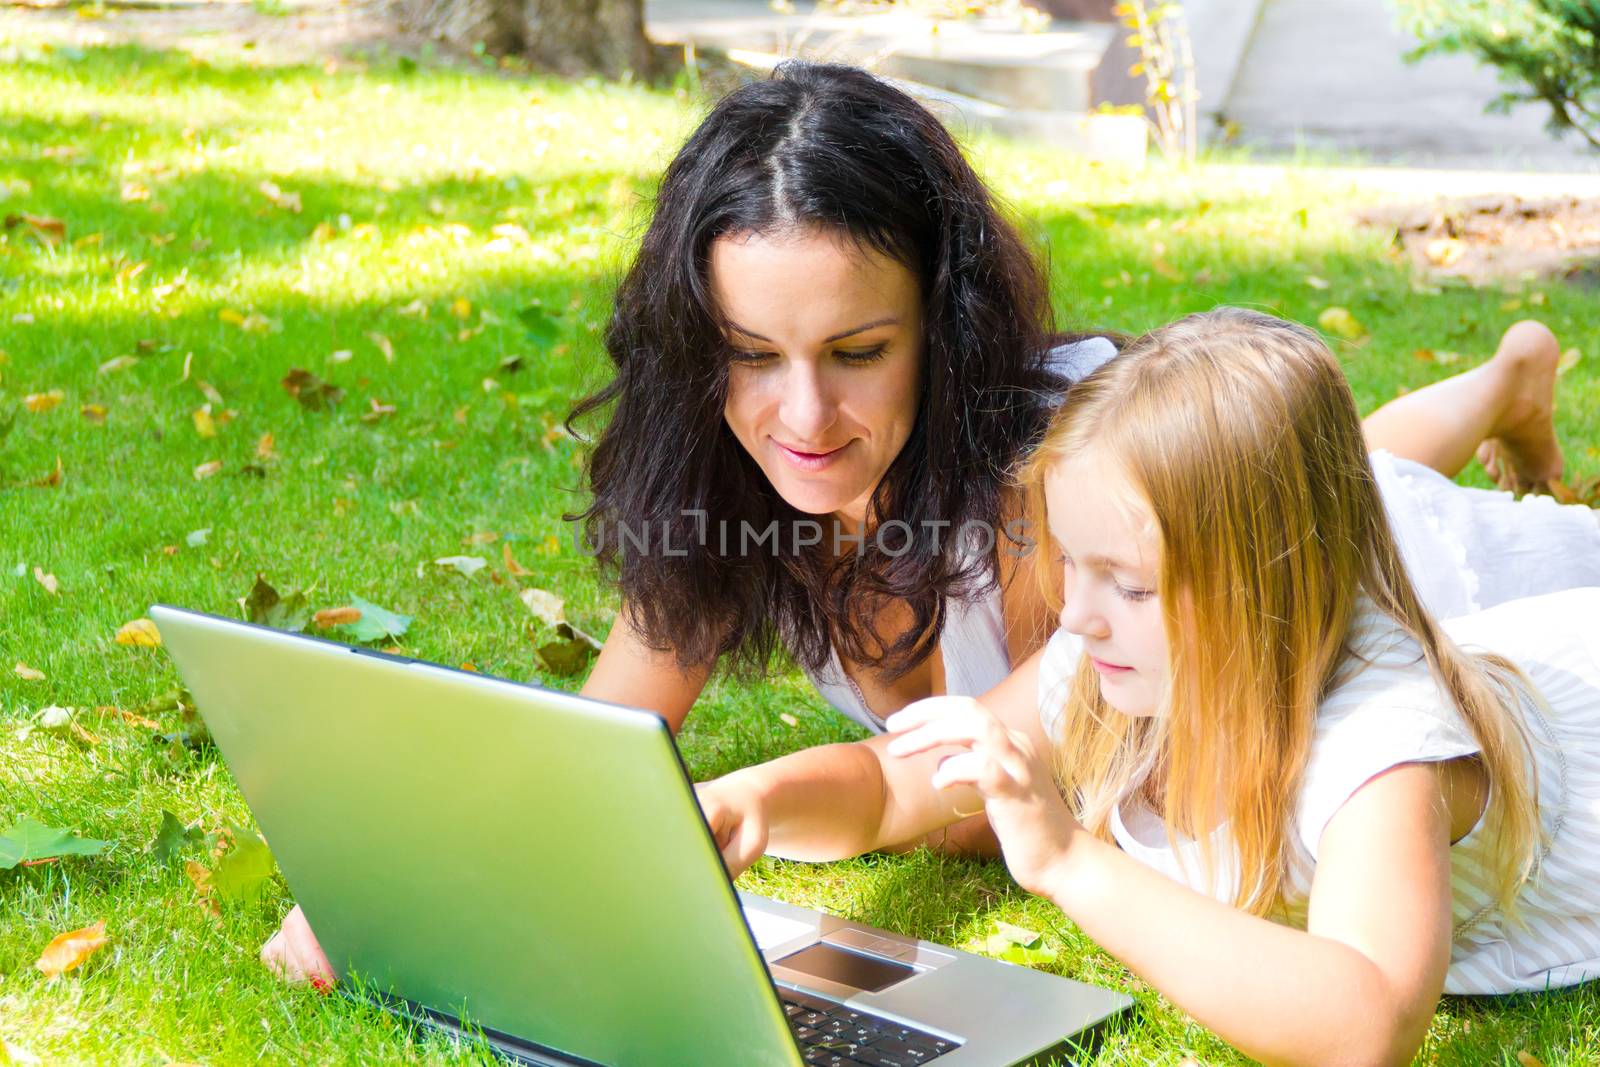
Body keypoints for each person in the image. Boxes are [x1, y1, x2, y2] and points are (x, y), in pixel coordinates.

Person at [260, 62, 1600, 984]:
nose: (801, 414)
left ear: (942, 330)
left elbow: (972, 791)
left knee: (1369, 494)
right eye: (748, 351)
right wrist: (409, 877)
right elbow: (603, 739)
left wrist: (764, 800)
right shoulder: (734, 467)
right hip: (1236, 526)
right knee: (1357, 459)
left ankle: (1498, 390)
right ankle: (1502, 380)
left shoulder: (1054, 502)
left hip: (1400, 578)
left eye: (857, 349)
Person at [695, 308, 1600, 1065]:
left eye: (1127, 583)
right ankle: (1505, 379)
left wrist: (1070, 864)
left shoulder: (1381, 750)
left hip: (1573, 671)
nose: (1077, 616)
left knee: (1465, 518)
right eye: (1071, 564)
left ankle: (1510, 379)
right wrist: (756, 798)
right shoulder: (1108, 657)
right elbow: (897, 782)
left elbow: (1365, 1024)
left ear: (1262, 584)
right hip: (1469, 631)